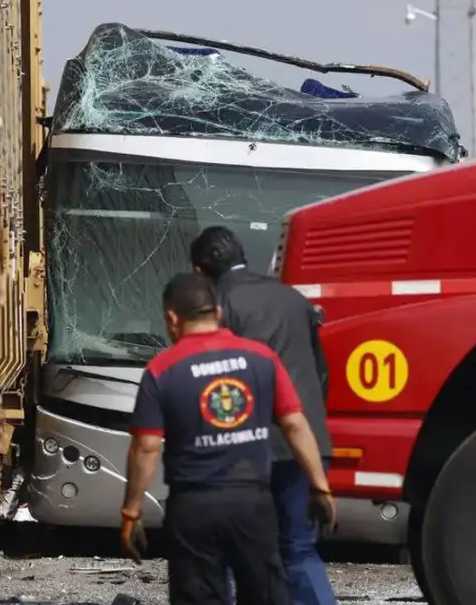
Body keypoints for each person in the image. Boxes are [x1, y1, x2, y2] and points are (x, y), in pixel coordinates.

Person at [119, 272, 336, 605]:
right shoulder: (262, 358)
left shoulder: (162, 369)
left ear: (172, 319)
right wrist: (319, 486)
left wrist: (132, 512)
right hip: (253, 504)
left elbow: (146, 446)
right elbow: (295, 425)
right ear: (218, 312)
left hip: (194, 508)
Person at [190, 226, 336, 605]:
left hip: (246, 451)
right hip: (305, 444)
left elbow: (211, 383)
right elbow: (321, 373)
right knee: (300, 550)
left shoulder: (218, 306)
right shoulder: (293, 299)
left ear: (200, 272)